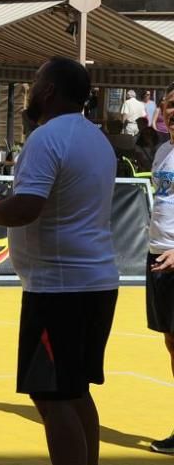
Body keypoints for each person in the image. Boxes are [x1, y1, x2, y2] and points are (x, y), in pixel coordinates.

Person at [0, 56, 118, 465]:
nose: (30, 88)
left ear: (50, 91)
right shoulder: (96, 139)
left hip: (60, 288)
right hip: (95, 281)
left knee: (51, 396)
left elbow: (26, 209)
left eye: (35, 80)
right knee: (75, 391)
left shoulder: (47, 137)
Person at [146, 82, 174, 454]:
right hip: (159, 255)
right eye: (169, 105)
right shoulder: (163, 152)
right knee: (171, 344)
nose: (171, 111)